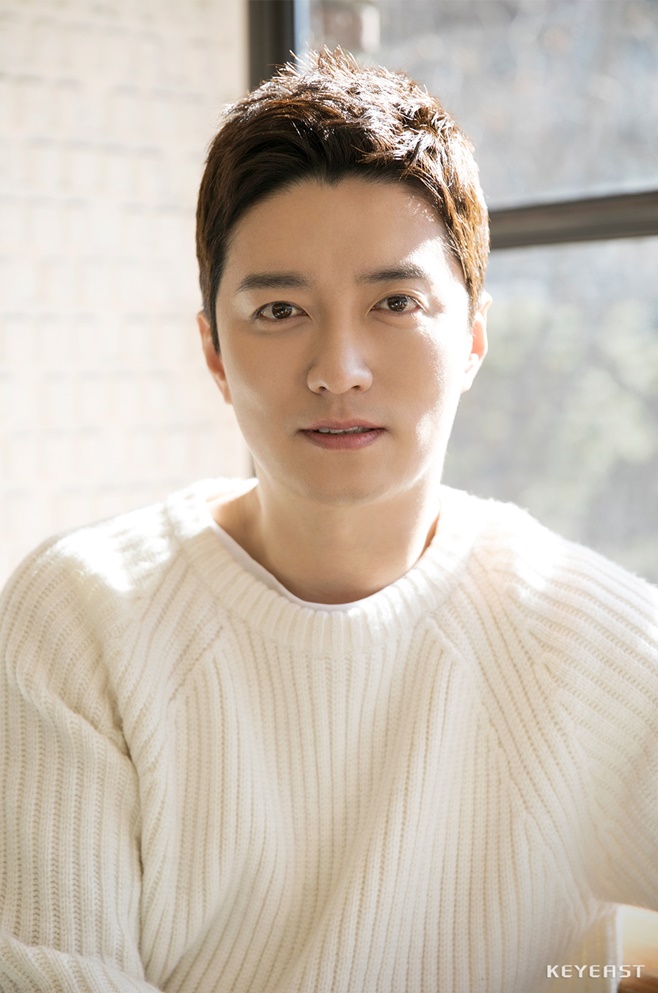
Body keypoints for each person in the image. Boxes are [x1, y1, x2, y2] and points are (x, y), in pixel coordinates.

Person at [0, 47, 656, 993]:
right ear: (213, 351)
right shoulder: (82, 619)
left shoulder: (582, 633)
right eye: (279, 309)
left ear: (474, 336)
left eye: (395, 302)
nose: (338, 368)